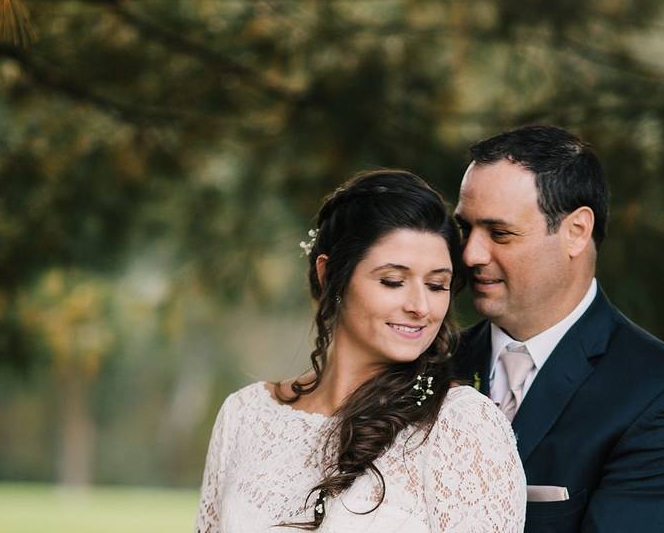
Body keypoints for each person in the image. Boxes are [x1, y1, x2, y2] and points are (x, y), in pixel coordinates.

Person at [195, 169, 526, 533]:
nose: (420, 306)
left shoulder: (461, 425)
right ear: (329, 275)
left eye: (436, 285)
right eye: (393, 281)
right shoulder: (244, 416)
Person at [452, 125, 664, 532]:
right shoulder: (426, 366)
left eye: (500, 234)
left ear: (576, 232)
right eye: (465, 229)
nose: (471, 253)